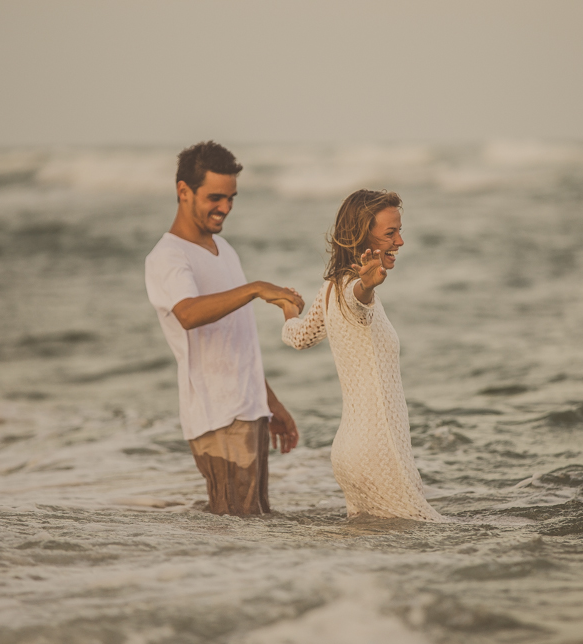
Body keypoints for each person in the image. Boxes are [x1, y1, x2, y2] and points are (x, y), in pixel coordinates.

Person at [145, 141, 302, 516]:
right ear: (183, 191)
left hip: (248, 410)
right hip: (217, 416)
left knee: (255, 523)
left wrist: (270, 403)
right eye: (215, 197)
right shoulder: (168, 257)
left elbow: (236, 343)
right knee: (239, 528)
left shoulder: (224, 250)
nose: (226, 208)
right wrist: (255, 288)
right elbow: (188, 313)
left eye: (232, 198)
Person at [280, 189, 445, 522]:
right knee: (436, 537)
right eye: (390, 233)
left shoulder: (329, 289)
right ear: (360, 236)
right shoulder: (352, 288)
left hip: (349, 452)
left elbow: (299, 337)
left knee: (373, 560)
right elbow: (359, 302)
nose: (400, 241)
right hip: (378, 451)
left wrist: (287, 310)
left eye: (399, 230)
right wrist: (367, 285)